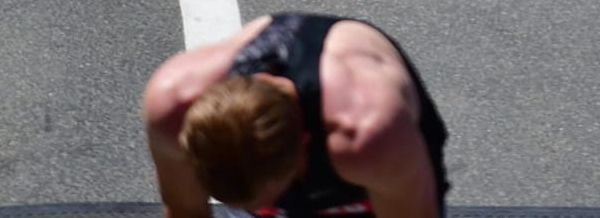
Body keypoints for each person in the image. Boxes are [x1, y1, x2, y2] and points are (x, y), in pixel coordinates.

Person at [142, 13, 448, 218]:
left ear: (303, 144)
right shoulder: (172, 108)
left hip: (370, 149)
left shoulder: (370, 135)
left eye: (267, 205)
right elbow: (185, 212)